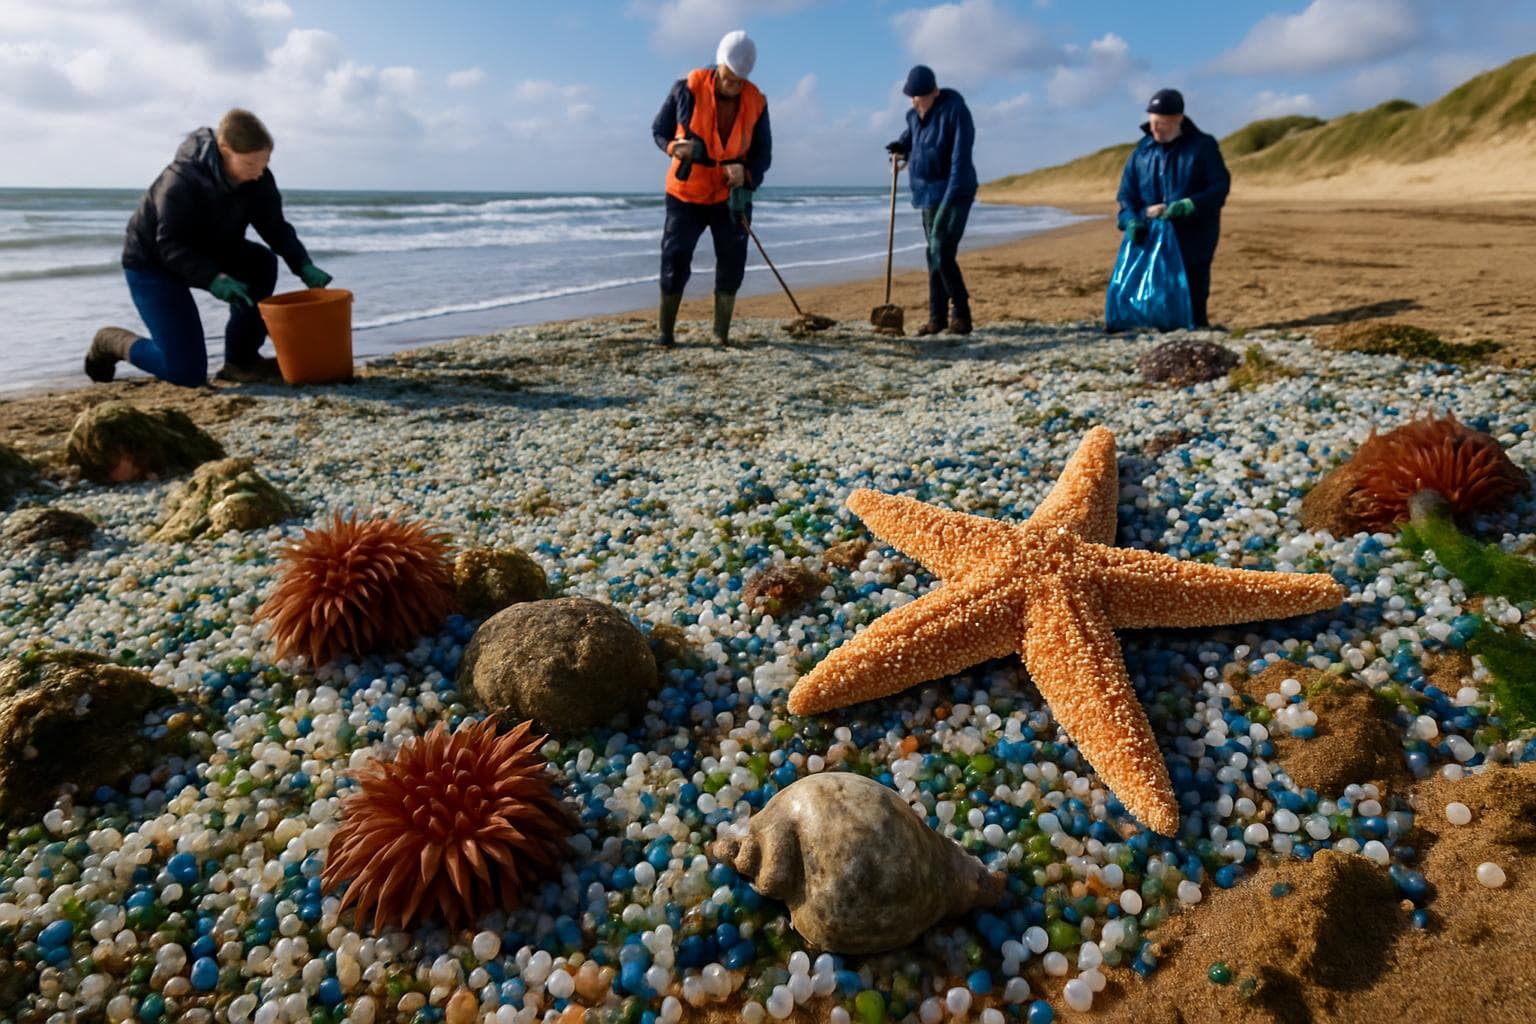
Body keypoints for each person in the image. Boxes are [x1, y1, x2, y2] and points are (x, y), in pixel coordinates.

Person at [85, 108, 333, 386]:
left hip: (213, 249)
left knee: (260, 263)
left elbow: (275, 228)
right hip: (153, 262)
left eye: (265, 163)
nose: (259, 172)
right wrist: (213, 279)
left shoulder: (258, 180)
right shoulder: (180, 181)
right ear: (224, 149)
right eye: (251, 164)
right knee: (187, 373)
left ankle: (240, 361)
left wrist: (303, 265)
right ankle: (110, 341)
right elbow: (171, 246)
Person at [650, 29, 772, 347]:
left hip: (729, 197)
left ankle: (720, 334)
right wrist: (674, 147)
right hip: (686, 193)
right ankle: (666, 333)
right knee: (675, 258)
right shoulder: (685, 89)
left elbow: (763, 156)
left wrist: (745, 172)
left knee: (732, 261)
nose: (733, 86)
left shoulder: (757, 102)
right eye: (728, 78)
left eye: (739, 81)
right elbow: (659, 130)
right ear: (718, 66)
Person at [1115, 89, 1230, 328]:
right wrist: (1131, 219)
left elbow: (1219, 186)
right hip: (1150, 232)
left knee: (1192, 281)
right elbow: (1127, 195)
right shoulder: (1142, 151)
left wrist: (1189, 205)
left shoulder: (1202, 147)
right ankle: (1155, 324)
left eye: (1163, 124)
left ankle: (1197, 324)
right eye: (1153, 122)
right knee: (1151, 283)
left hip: (1195, 233)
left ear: (1178, 119)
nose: (1155, 129)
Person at [886, 64, 977, 336]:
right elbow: (908, 141)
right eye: (911, 96)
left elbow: (960, 158)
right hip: (926, 195)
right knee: (933, 255)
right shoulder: (913, 116)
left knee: (940, 251)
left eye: (920, 96)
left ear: (934, 92)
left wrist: (950, 198)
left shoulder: (955, 111)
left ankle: (962, 314)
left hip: (954, 192)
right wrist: (898, 152)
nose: (915, 101)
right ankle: (936, 319)